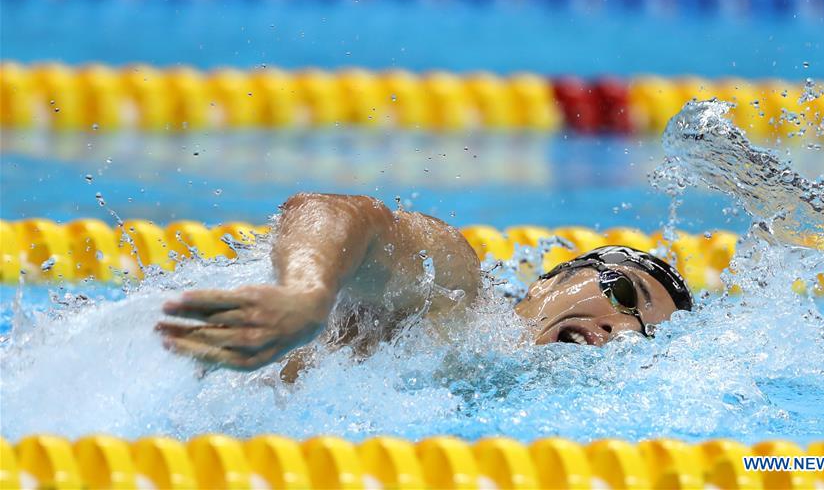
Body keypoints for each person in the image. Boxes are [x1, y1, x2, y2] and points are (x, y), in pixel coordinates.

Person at [157, 193, 692, 380]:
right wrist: (305, 295)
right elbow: (334, 212)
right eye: (624, 295)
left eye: (641, 335)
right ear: (550, 282)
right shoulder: (453, 295)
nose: (621, 329)